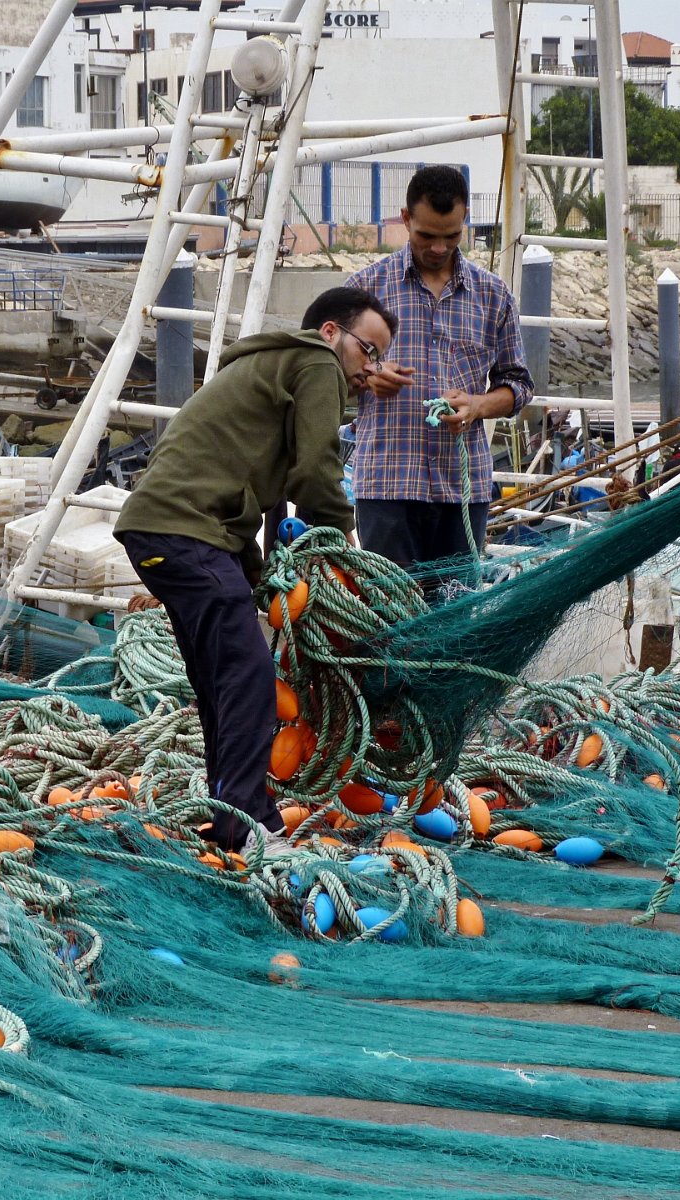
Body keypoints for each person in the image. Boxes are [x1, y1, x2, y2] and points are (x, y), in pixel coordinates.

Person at [116, 287, 396, 856]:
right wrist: (345, 546)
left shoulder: (269, 367)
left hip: (161, 532)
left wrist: (258, 576)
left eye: (380, 358)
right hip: (184, 532)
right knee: (247, 682)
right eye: (368, 351)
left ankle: (239, 818)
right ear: (330, 333)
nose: (372, 369)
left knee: (223, 682)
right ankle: (246, 825)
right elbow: (314, 472)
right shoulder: (316, 363)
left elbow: (260, 497)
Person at [346, 164, 532, 577]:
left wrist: (477, 406)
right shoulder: (363, 289)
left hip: (462, 491)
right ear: (406, 218)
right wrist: (366, 375)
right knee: (389, 618)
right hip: (386, 488)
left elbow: (518, 386)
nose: (438, 247)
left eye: (451, 235)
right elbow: (322, 374)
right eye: (426, 235)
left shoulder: (493, 295)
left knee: (456, 618)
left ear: (465, 220)